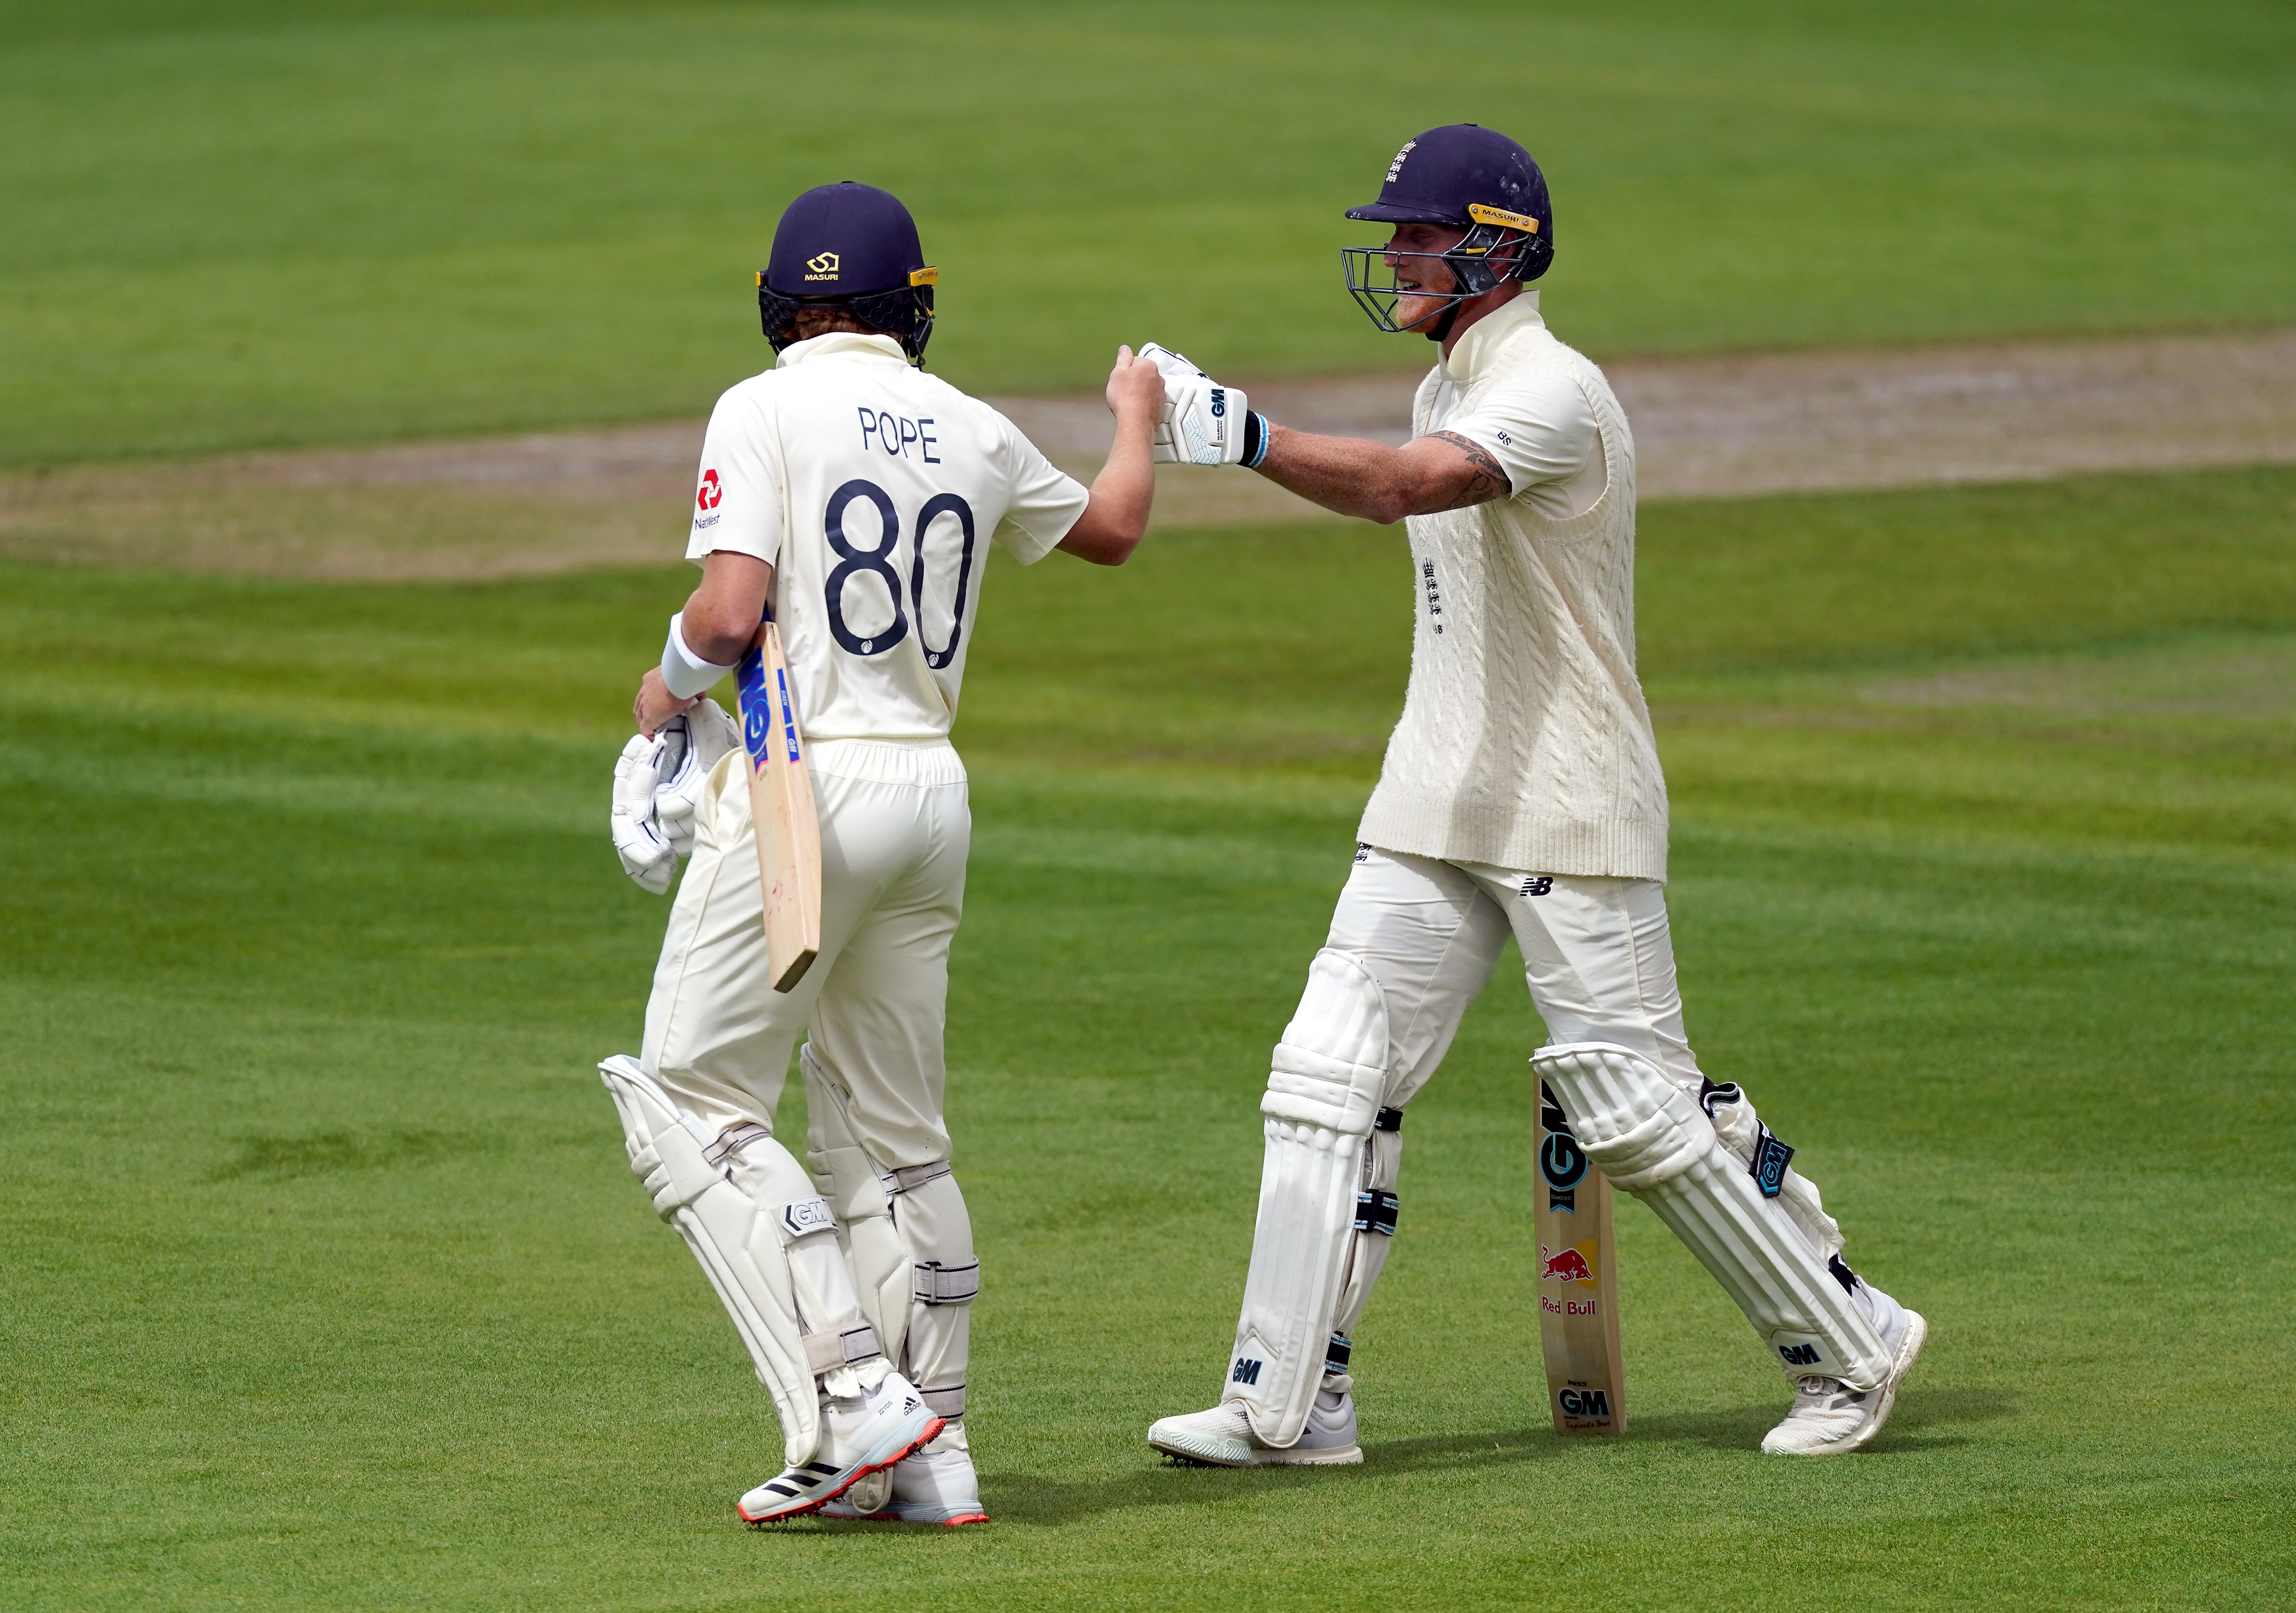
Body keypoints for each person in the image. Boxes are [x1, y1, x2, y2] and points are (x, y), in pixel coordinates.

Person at [1140, 124, 1925, 1465]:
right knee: (1328, 1075)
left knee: (1637, 1113)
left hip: (1572, 799)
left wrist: (1251, 437)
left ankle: (1852, 1349)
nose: (1392, 256)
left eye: (1415, 234)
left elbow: (1405, 493)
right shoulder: (1448, 382)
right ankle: (1288, 1404)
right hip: (1435, 796)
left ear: (1496, 251)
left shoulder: (1551, 390)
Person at [597, 180, 1168, 1525]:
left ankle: (855, 1395)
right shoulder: (970, 424)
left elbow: (731, 611)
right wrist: (1135, 420)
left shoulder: (762, 403)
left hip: (807, 779)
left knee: (689, 1099)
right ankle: (937, 1456)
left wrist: (666, 689)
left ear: (781, 305)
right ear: (910, 306)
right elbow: (1115, 529)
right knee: (893, 1141)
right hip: (930, 794)